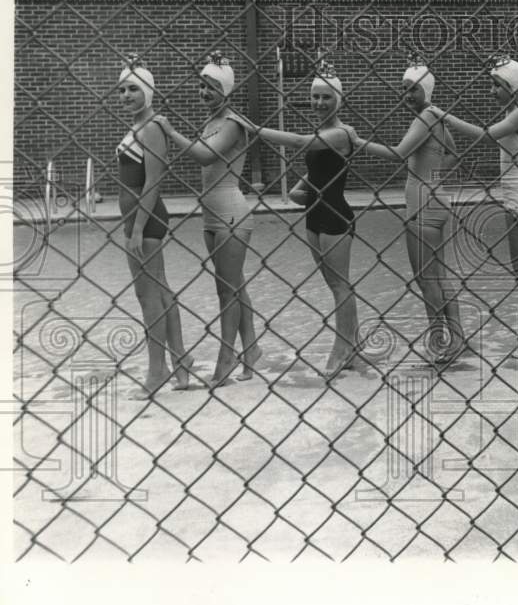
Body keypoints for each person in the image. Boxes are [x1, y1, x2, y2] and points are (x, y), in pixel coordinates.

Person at [234, 57, 359, 379]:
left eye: (326, 97)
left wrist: (257, 130)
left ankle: (343, 345)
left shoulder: (343, 132)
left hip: (335, 216)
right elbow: (317, 169)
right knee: (333, 284)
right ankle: (353, 341)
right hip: (314, 214)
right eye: (315, 96)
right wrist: (300, 188)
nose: (318, 103)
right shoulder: (323, 130)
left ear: (338, 100)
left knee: (340, 284)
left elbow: (303, 143)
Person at [427, 54, 518, 358]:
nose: (491, 91)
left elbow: (485, 136)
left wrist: (444, 116)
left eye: (496, 85)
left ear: (511, 86)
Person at [155, 52, 262, 385]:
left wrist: (169, 130)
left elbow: (204, 156)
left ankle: (226, 359)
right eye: (201, 86)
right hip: (211, 216)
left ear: (226, 91)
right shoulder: (211, 122)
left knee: (226, 290)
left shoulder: (231, 123)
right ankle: (252, 348)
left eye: (212, 87)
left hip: (231, 213)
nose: (204, 93)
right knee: (232, 285)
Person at [351, 56, 465, 364]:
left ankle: (440, 340)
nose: (407, 95)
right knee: (440, 275)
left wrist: (356, 141)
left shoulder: (426, 118)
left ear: (426, 89)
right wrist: (434, 176)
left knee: (426, 278)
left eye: (412, 89)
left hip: (421, 205)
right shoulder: (436, 119)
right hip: (437, 199)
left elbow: (399, 154)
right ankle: (457, 337)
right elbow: (455, 154)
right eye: (404, 89)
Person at [114, 55, 191, 397]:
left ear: (148, 91)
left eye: (133, 89)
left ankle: (156, 371)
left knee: (148, 296)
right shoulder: (140, 125)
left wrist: (137, 228)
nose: (126, 95)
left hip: (144, 220)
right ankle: (181, 363)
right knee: (159, 290)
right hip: (139, 219)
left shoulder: (152, 127)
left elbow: (153, 182)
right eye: (122, 90)